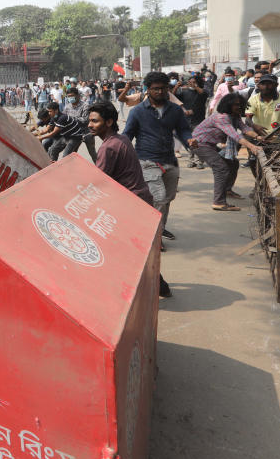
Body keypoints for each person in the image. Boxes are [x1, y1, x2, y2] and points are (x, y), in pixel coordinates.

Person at [87, 101, 171, 297]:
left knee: (126, 251)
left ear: (108, 122)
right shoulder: (121, 139)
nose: (90, 125)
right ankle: (159, 286)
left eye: (94, 121)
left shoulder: (109, 147)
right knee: (135, 250)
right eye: (89, 121)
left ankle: (147, 289)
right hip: (140, 200)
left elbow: (97, 181)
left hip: (130, 204)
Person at [122, 72, 193, 242]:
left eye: (163, 89)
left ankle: (159, 229)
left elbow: (183, 129)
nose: (160, 92)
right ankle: (153, 238)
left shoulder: (175, 110)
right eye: (155, 89)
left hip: (169, 161)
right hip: (147, 161)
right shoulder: (137, 111)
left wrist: (189, 140)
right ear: (147, 90)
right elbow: (127, 135)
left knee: (167, 199)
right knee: (158, 198)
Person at [191, 93, 262, 211]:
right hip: (200, 144)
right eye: (236, 105)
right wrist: (252, 146)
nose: (239, 107)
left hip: (211, 144)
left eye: (241, 105)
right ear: (228, 105)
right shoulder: (222, 117)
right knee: (221, 168)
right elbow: (234, 135)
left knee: (233, 164)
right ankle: (218, 202)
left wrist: (258, 137)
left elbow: (244, 128)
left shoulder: (235, 116)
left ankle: (227, 190)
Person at [175, 73, 209, 169]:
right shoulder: (185, 92)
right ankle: (191, 160)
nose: (192, 84)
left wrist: (196, 86)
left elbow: (203, 93)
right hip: (186, 121)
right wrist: (176, 86)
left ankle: (199, 161)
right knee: (189, 141)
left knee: (198, 141)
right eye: (191, 82)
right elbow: (173, 97)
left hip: (199, 120)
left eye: (194, 82)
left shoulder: (202, 92)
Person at [60, 87, 97, 162]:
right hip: (74, 134)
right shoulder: (67, 106)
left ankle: (101, 170)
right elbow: (63, 118)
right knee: (69, 155)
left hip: (86, 133)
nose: (70, 98)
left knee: (92, 153)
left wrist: (70, 119)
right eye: (69, 96)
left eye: (72, 96)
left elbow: (85, 120)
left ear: (78, 96)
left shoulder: (85, 105)